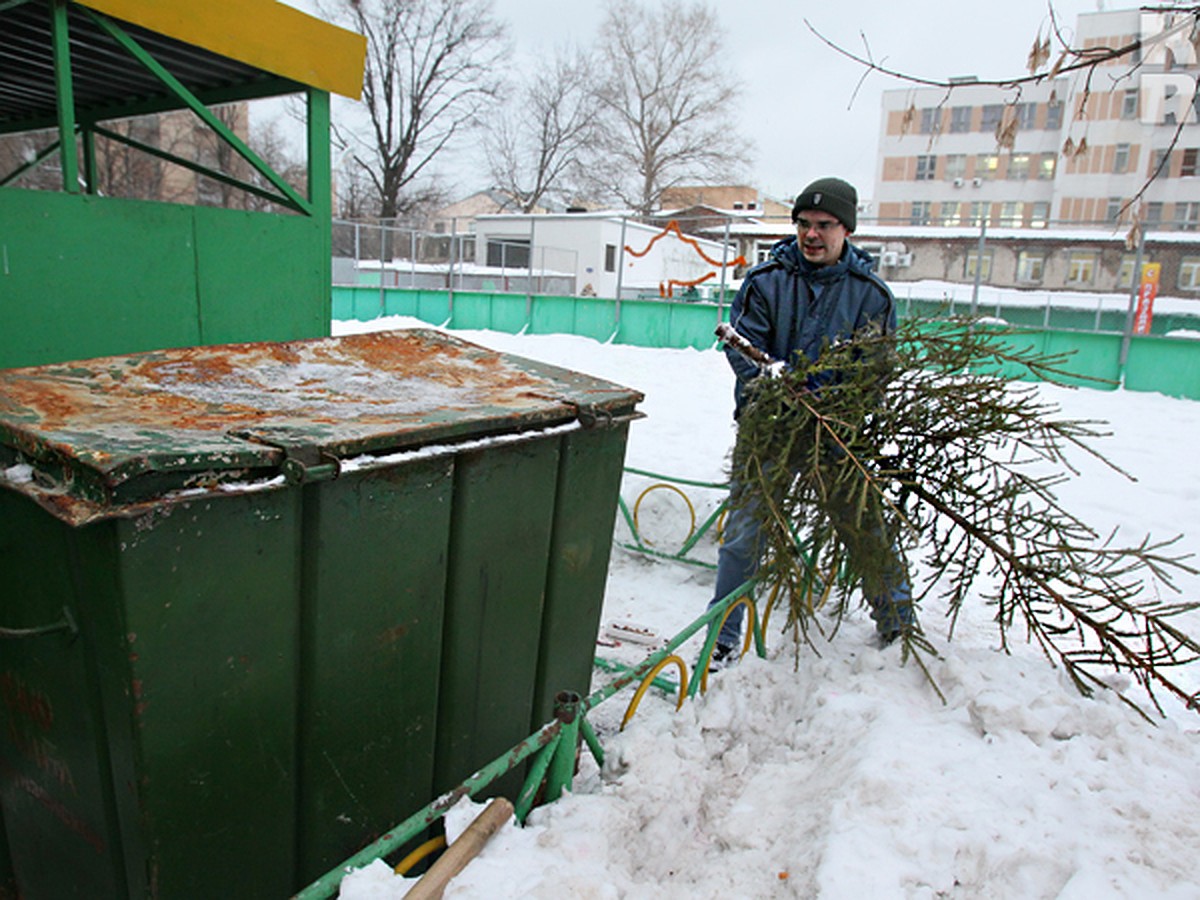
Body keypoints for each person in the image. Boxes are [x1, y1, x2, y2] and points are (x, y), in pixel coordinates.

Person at [706, 176, 913, 668]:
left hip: (834, 438)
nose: (811, 235)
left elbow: (874, 370)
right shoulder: (766, 281)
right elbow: (743, 351)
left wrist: (833, 403)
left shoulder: (871, 296)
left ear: (847, 230)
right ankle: (722, 638)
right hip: (769, 432)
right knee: (744, 535)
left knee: (867, 529)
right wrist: (777, 390)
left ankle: (899, 628)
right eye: (803, 224)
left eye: (824, 225)